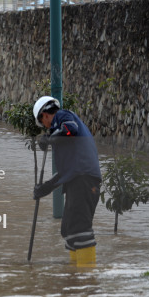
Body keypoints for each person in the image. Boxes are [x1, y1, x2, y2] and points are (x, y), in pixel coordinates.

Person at [33, 96, 102, 266]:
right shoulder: (62, 136)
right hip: (77, 181)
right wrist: (46, 188)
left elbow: (70, 129)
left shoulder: (63, 116)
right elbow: (65, 172)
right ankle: (74, 280)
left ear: (45, 115)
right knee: (68, 229)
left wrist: (49, 138)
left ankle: (86, 280)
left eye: (43, 124)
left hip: (84, 180)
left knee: (79, 228)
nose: (46, 127)